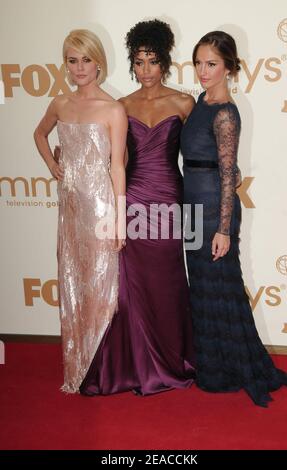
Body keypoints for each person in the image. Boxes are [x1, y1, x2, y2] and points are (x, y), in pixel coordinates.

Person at [180, 31, 287, 407]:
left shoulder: (226, 113)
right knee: (203, 290)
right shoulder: (200, 101)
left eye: (211, 64)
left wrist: (224, 229)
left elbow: (229, 175)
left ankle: (232, 369)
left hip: (216, 209)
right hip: (192, 207)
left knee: (222, 289)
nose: (203, 70)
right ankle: (213, 366)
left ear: (228, 67)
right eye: (198, 62)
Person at [79, 19, 195, 396]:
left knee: (169, 281)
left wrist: (230, 170)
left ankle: (173, 358)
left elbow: (197, 154)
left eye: (153, 60)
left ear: (165, 62)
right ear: (132, 64)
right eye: (139, 61)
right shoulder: (121, 105)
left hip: (169, 200)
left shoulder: (183, 102)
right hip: (133, 199)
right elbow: (114, 160)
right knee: (132, 285)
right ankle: (136, 364)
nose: (146, 69)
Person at [34, 29, 127, 393]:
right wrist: (53, 166)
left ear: (99, 61)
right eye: (72, 61)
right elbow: (39, 134)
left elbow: (117, 166)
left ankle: (98, 369)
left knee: (103, 287)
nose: (79, 67)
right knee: (72, 282)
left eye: (86, 59)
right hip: (69, 209)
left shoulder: (113, 109)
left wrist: (119, 218)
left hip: (102, 207)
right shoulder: (60, 103)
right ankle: (76, 366)